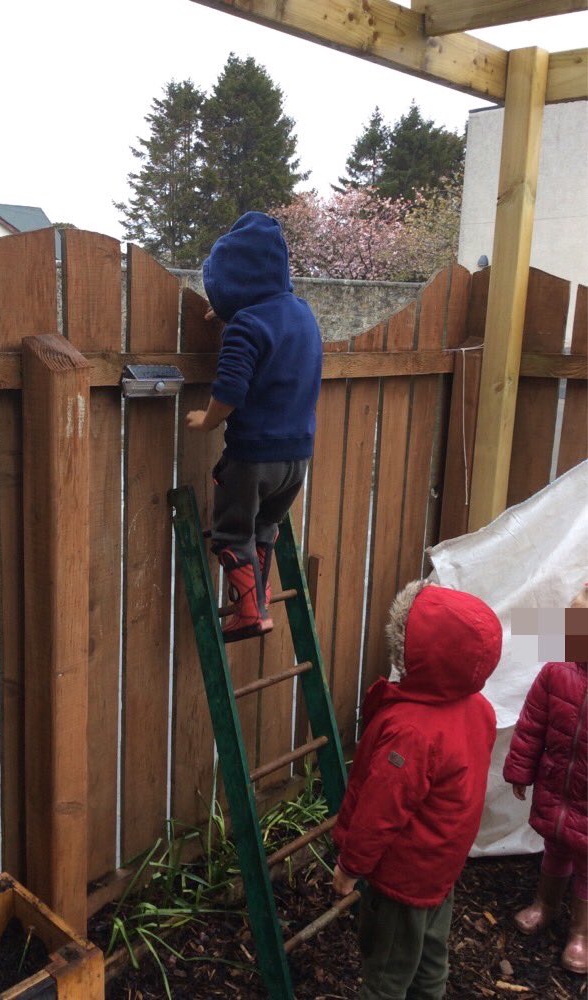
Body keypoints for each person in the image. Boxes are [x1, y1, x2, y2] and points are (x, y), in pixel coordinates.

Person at [332, 581, 502, 999]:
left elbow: (381, 811)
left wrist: (351, 866)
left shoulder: (411, 731)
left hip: (400, 876)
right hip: (440, 866)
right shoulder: (477, 708)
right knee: (429, 953)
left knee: (386, 970)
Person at [186, 211, 322, 642]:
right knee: (263, 528)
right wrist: (226, 314)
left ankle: (247, 611)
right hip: (297, 460)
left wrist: (209, 420)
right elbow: (275, 349)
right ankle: (260, 600)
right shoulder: (301, 314)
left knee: (230, 530)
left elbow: (231, 386)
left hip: (252, 458)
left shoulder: (246, 325)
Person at [502, 583, 588, 975]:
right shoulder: (555, 675)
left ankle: (580, 932)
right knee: (555, 848)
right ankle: (546, 905)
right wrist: (521, 770)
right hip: (558, 788)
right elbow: (531, 726)